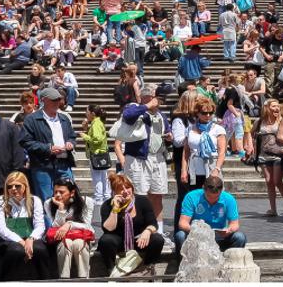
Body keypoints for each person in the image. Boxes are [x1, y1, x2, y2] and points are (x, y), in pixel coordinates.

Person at [115, 87, 171, 230]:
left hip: (157, 158)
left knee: (157, 195)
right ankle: (136, 228)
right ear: (146, 97)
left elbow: (167, 130)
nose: (159, 101)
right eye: (156, 97)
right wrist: (146, 106)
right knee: (138, 195)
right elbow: (127, 116)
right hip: (138, 158)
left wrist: (169, 136)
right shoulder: (135, 108)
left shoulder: (161, 115)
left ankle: (158, 229)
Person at [0, 171, 55, 280]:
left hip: (31, 236)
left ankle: (45, 280)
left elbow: (40, 225)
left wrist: (31, 238)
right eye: (10, 186)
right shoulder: (0, 201)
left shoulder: (34, 200)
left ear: (25, 186)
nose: (13, 188)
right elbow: (0, 228)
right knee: (16, 250)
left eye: (17, 186)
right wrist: (20, 241)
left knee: (39, 249)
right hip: (8, 239)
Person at [96, 173, 164, 276]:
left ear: (132, 188)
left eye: (127, 187)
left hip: (140, 241)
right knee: (105, 240)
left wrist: (147, 231)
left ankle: (148, 267)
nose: (126, 191)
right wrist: (115, 209)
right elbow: (108, 229)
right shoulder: (107, 205)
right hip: (118, 242)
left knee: (157, 239)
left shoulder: (142, 201)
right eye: (121, 189)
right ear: (115, 192)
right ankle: (111, 269)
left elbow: (153, 224)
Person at [20, 86, 77, 201]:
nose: (57, 102)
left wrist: (70, 143)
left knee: (68, 198)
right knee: (46, 200)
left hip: (64, 164)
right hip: (43, 166)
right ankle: (49, 220)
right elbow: (25, 141)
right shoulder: (31, 119)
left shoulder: (64, 118)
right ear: (44, 100)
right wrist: (48, 148)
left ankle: (65, 219)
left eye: (58, 99)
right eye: (54, 100)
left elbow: (72, 136)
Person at [174, 173, 245, 255]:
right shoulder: (191, 196)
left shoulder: (229, 199)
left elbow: (234, 224)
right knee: (180, 235)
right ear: (203, 188)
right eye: (208, 196)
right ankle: (181, 265)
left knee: (240, 237)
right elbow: (182, 223)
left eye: (216, 197)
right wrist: (197, 231)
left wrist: (229, 230)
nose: (212, 200)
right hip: (197, 235)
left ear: (221, 191)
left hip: (218, 235)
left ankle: (230, 263)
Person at [45, 179, 95, 278]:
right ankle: (64, 278)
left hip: (82, 236)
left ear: (72, 193)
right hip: (62, 238)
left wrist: (69, 224)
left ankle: (83, 278)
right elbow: (56, 227)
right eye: (55, 192)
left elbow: (87, 225)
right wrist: (61, 208)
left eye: (61, 192)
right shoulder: (48, 203)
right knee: (66, 243)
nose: (58, 195)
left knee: (79, 243)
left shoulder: (86, 201)